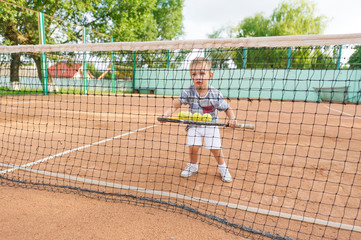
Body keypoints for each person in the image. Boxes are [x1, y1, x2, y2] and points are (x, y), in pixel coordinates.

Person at [159, 57, 237, 182]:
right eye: (194, 74)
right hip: (194, 125)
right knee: (193, 147)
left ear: (210, 75)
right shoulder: (188, 91)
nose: (198, 77)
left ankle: (223, 168)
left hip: (211, 125)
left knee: (215, 148)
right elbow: (176, 104)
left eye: (202, 73)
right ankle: (193, 166)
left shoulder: (215, 94)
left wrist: (232, 119)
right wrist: (165, 114)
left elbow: (227, 108)